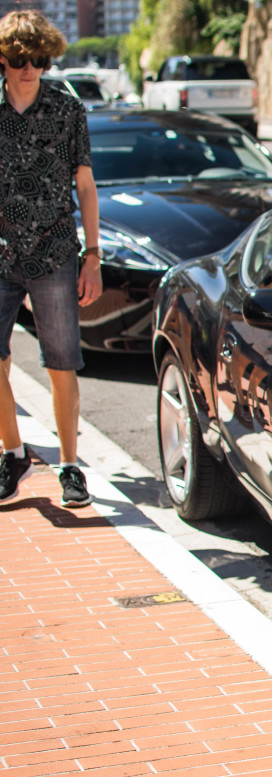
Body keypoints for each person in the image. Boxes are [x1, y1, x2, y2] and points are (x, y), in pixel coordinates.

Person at [0, 10, 102, 508]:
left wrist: (93, 256)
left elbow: (85, 185)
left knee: (61, 364)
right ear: (3, 58)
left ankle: (70, 466)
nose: (30, 69)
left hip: (56, 251)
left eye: (40, 60)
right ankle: (14, 453)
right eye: (21, 59)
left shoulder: (66, 109)